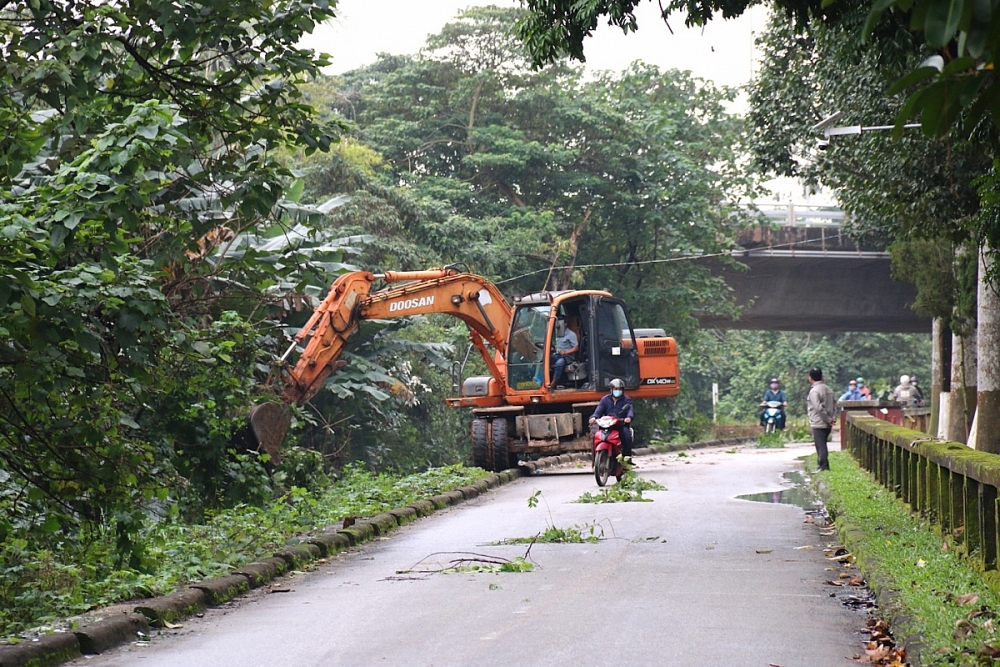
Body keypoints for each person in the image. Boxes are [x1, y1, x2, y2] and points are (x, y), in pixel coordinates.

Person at [589, 378, 634, 458]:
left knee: (626, 436)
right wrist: (594, 417)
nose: (618, 391)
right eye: (616, 389)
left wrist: (628, 417)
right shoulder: (605, 399)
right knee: (594, 437)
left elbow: (630, 410)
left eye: (620, 389)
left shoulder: (626, 399)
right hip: (607, 425)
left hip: (621, 425)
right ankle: (594, 461)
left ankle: (626, 459)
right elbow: (599, 410)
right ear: (611, 389)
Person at [807, 367, 836, 472]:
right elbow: (834, 404)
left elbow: (818, 408)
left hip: (819, 422)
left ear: (810, 378)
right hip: (828, 422)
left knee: (820, 445)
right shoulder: (828, 389)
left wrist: (827, 419)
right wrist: (832, 418)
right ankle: (825, 465)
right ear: (821, 377)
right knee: (823, 443)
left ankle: (822, 466)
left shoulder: (814, 391)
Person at [548, 317, 579, 390]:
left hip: (566, 357)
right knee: (545, 359)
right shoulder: (558, 333)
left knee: (559, 363)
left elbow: (576, 347)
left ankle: (553, 384)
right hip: (557, 355)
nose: (557, 324)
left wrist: (565, 352)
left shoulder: (571, 334)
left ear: (565, 324)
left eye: (559, 322)